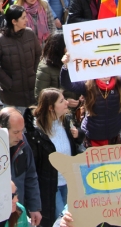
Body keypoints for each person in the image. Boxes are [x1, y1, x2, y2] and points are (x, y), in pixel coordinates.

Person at [60, 48, 121, 147]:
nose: (105, 75)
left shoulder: (118, 83)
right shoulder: (88, 86)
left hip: (113, 135)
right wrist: (65, 66)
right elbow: (67, 84)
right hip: (93, 136)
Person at [24, 89, 83, 226]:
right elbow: (33, 164)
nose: (66, 102)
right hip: (51, 185)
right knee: (60, 220)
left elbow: (76, 147)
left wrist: (78, 135)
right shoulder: (36, 132)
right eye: (61, 101)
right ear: (51, 108)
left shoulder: (67, 121)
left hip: (69, 182)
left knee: (71, 219)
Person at [0, 107, 42, 226]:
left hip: (17, 211)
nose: (20, 137)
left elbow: (30, 175)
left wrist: (35, 207)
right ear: (1, 130)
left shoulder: (22, 142)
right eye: (16, 132)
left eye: (22, 131)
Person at [0, 6, 42, 111]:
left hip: (33, 92)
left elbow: (38, 54)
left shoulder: (30, 34)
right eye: (23, 18)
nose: (27, 20)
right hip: (12, 96)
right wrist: (9, 83)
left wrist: (35, 73)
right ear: (14, 21)